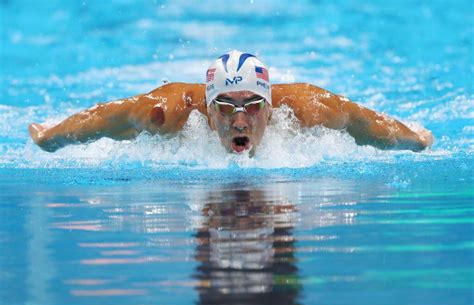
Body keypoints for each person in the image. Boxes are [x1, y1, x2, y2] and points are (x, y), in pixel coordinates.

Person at [29, 50, 433, 155]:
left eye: (253, 104)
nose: (240, 119)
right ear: (206, 109)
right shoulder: (166, 113)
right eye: (225, 105)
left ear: (271, 107)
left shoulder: (308, 109)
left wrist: (414, 139)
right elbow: (104, 118)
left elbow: (365, 123)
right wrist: (52, 137)